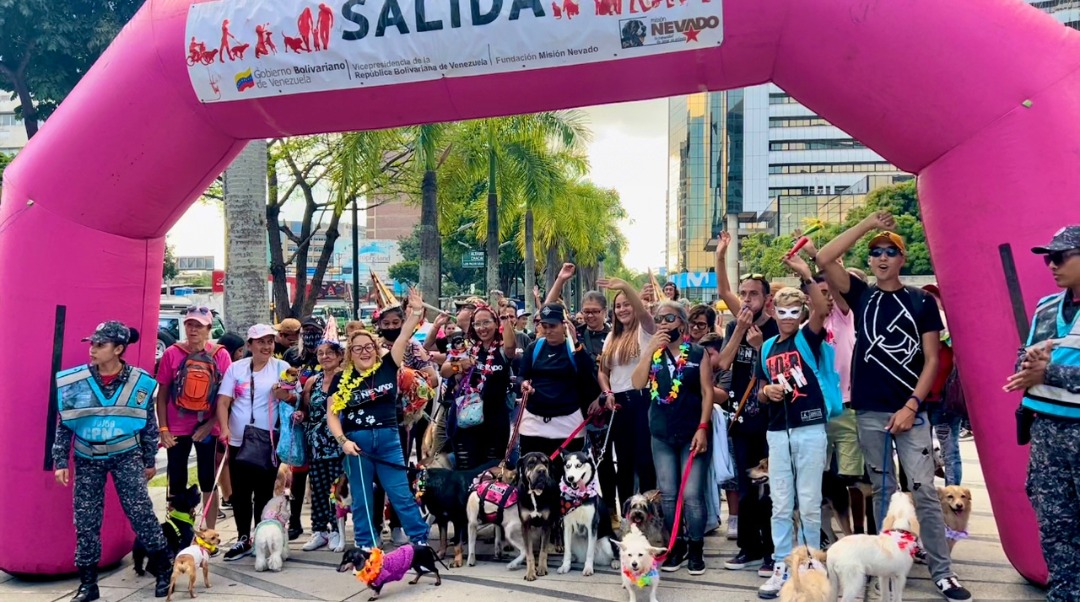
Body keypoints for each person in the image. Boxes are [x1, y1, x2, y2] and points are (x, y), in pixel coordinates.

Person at [817, 211, 971, 600]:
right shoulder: (860, 294)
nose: (883, 257)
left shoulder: (920, 301)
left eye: (891, 251)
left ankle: (942, 570)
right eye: (876, 251)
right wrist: (868, 224)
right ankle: (887, 563)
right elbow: (824, 258)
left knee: (922, 490)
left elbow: (932, 359)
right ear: (870, 259)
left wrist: (912, 404)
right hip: (868, 411)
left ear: (902, 259)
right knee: (883, 490)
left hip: (911, 411)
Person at [53, 321, 173, 600]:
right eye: (92, 344)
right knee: (86, 521)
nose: (93, 350)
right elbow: (64, 424)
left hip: (126, 457)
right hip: (87, 457)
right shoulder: (76, 382)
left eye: (100, 345)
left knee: (141, 515)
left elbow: (148, 425)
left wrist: (148, 459)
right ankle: (88, 584)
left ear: (119, 349)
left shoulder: (140, 382)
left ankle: (163, 567)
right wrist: (60, 460)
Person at [1007, 225, 1080, 602]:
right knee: (1055, 526)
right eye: (1049, 257)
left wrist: (1049, 371)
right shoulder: (1047, 306)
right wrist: (1028, 361)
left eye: (1061, 256)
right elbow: (1026, 353)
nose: (1052, 265)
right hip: (1048, 431)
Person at [754, 255, 833, 598]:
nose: (787, 317)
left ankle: (812, 563)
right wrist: (766, 392)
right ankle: (781, 565)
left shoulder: (808, 337)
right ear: (773, 311)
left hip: (811, 427)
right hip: (777, 431)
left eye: (793, 311)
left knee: (810, 502)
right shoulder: (767, 346)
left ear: (800, 314)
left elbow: (821, 309)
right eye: (781, 311)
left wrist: (805, 274)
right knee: (781, 504)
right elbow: (759, 389)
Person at [326, 290, 431, 549]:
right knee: (362, 498)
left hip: (387, 439)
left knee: (400, 493)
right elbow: (332, 415)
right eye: (358, 348)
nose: (364, 352)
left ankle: (419, 540)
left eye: (368, 347)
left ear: (376, 348)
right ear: (350, 353)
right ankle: (366, 544)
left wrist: (415, 311)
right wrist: (343, 442)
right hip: (356, 444)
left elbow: (405, 335)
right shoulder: (341, 379)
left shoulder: (388, 365)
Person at [631, 301, 713, 576]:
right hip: (662, 434)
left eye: (669, 318)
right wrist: (649, 351)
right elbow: (637, 383)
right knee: (668, 495)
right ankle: (675, 544)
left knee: (691, 495)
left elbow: (707, 392)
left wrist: (703, 426)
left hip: (692, 433)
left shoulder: (698, 353)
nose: (663, 323)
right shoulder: (654, 354)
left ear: (681, 322)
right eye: (659, 319)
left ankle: (696, 547)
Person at [715, 231, 778, 575]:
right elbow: (722, 364)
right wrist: (721, 254)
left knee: (767, 488)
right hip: (740, 418)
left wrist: (759, 349)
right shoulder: (734, 326)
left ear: (768, 300)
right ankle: (748, 548)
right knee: (742, 483)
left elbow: (782, 373)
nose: (747, 299)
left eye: (754, 294)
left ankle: (770, 551)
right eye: (743, 294)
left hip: (770, 420)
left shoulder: (778, 328)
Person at [799, 240, 866, 529]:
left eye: (828, 292)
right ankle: (826, 536)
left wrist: (819, 258)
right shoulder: (806, 330)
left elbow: (840, 292)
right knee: (819, 481)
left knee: (853, 480)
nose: (824, 298)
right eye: (818, 294)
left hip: (850, 410)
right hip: (819, 413)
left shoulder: (845, 317)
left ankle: (859, 533)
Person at [216, 324, 295, 561]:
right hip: (239, 440)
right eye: (260, 342)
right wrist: (225, 429)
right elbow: (223, 402)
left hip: (267, 440)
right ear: (249, 345)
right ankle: (243, 538)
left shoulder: (282, 367)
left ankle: (262, 535)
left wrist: (286, 395)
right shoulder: (236, 368)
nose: (266, 346)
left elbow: (295, 398)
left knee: (263, 492)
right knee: (240, 492)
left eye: (270, 341)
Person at [156, 306, 232, 532]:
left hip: (207, 426)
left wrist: (212, 425)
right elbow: (162, 394)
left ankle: (209, 532)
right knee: (177, 478)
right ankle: (180, 528)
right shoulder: (171, 353)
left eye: (198, 325)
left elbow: (225, 397)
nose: (193, 329)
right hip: (176, 427)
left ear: (209, 328)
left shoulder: (221, 355)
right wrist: (164, 429)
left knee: (208, 479)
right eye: (189, 324)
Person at [596, 278, 658, 522]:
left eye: (626, 304)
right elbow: (603, 371)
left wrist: (624, 285)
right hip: (619, 403)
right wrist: (608, 392)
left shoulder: (646, 329)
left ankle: (650, 518)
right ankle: (625, 519)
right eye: (618, 306)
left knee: (645, 462)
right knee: (623, 463)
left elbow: (642, 311)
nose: (623, 309)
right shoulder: (611, 337)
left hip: (643, 399)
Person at [518, 303, 600, 457]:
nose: (548, 331)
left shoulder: (574, 349)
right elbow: (522, 375)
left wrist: (575, 342)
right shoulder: (534, 347)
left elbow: (589, 371)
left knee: (568, 476)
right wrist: (524, 384)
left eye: (553, 326)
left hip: (568, 421)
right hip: (534, 420)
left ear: (564, 325)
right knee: (533, 474)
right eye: (544, 326)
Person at [442, 303, 516, 469]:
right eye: (477, 324)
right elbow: (444, 371)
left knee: (491, 471)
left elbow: (511, 346)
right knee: (466, 470)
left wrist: (505, 318)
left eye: (486, 322)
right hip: (467, 422)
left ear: (496, 323)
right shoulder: (468, 349)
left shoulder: (502, 350)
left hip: (495, 422)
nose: (482, 328)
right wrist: (460, 365)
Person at [300, 340, 347, 552]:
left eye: (330, 353)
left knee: (336, 489)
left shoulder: (346, 379)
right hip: (316, 444)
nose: (325, 356)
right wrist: (299, 414)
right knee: (318, 489)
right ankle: (319, 530)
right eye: (321, 353)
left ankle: (338, 529)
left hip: (338, 444)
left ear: (339, 356)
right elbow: (306, 409)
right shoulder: (312, 381)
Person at [285, 315, 326, 541]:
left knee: (323, 478)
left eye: (315, 331)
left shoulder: (330, 354)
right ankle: (294, 521)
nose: (310, 336)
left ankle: (323, 523)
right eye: (306, 331)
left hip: (324, 425)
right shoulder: (293, 356)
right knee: (298, 477)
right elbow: (286, 384)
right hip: (300, 424)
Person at [922, 284, 963, 486]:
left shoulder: (953, 332)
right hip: (921, 400)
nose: (930, 302)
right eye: (926, 298)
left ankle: (952, 495)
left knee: (950, 452)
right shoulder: (918, 332)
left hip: (945, 402)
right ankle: (928, 495)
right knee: (922, 451)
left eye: (934, 298)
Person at [700, 333, 739, 538]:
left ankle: (734, 518)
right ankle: (708, 517)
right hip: (703, 426)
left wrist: (701, 386)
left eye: (710, 354)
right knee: (704, 475)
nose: (706, 359)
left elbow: (721, 394)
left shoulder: (725, 372)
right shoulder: (697, 369)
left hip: (728, 427)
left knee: (730, 473)